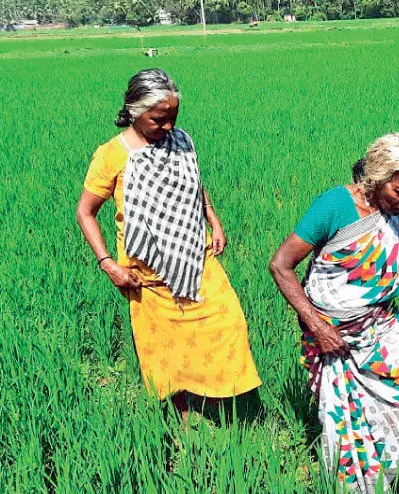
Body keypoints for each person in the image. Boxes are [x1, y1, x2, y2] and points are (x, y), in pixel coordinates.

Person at [269, 132, 399, 491]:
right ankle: (360, 484)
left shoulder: (394, 214)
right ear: (377, 178)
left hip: (380, 325)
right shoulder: (335, 206)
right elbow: (281, 266)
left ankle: (388, 470)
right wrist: (319, 328)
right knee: (347, 422)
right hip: (335, 336)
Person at [76, 68, 261, 421]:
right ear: (134, 111)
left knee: (228, 324)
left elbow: (194, 182)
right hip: (146, 271)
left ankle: (219, 407)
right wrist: (108, 264)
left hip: (197, 256)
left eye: (173, 118)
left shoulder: (182, 140)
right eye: (159, 119)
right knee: (167, 347)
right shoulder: (112, 155)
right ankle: (185, 416)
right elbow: (85, 212)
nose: (168, 127)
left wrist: (213, 218)